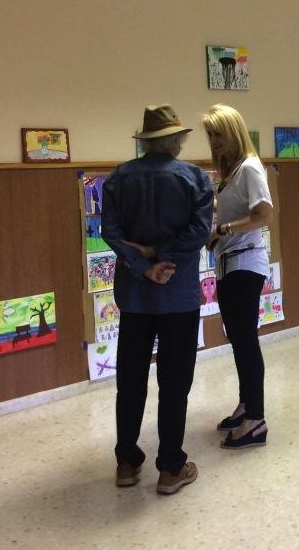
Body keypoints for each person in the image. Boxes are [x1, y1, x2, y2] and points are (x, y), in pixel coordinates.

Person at [100, 104, 213, 493]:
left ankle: (127, 462)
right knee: (174, 381)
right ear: (177, 141)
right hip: (178, 294)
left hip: (134, 296)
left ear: (146, 142)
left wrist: (141, 262)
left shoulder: (118, 178)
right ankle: (170, 467)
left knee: (130, 381)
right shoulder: (195, 179)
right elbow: (199, 234)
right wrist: (161, 255)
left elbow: (109, 231)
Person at [203, 104, 273, 449]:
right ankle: (246, 404)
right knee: (238, 337)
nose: (213, 141)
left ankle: (255, 419)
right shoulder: (230, 173)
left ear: (232, 132)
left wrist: (223, 229)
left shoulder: (249, 168)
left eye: (218, 134)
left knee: (246, 339)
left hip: (246, 262)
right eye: (210, 135)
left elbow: (263, 214)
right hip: (229, 262)